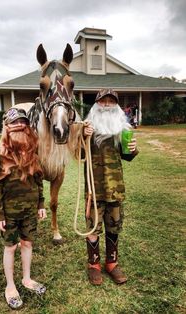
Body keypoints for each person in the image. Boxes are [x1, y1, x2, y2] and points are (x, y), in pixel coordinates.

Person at [0, 108, 47, 310]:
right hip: (9, 212)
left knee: (27, 244)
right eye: (13, 122)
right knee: (10, 247)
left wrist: (41, 203)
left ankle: (26, 278)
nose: (18, 126)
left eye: (22, 122)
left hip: (30, 210)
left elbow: (39, 179)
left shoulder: (34, 150)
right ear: (6, 127)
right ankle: (10, 286)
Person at [83, 88, 138, 286]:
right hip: (94, 189)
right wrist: (82, 136)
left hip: (115, 187)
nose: (107, 105)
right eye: (103, 101)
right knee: (93, 227)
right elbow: (79, 154)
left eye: (111, 101)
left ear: (116, 106)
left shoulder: (122, 128)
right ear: (96, 105)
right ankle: (94, 265)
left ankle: (112, 263)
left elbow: (128, 155)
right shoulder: (87, 127)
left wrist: (133, 149)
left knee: (114, 226)